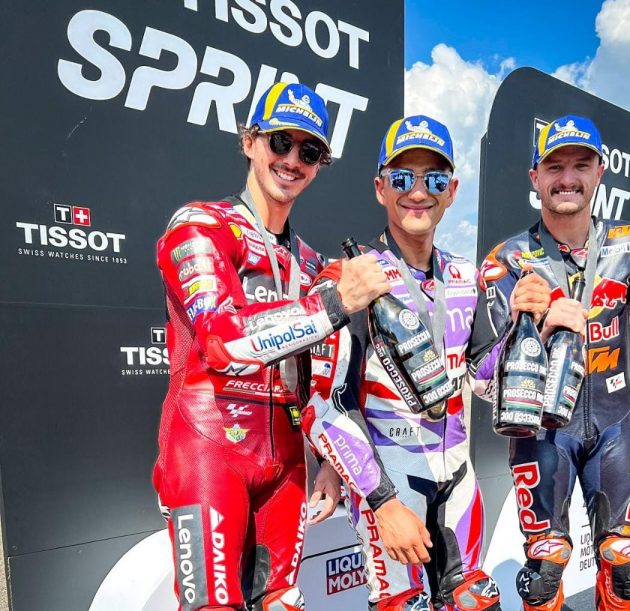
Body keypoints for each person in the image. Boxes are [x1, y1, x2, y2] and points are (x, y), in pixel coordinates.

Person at [152, 82, 390, 611]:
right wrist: (333, 304)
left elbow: (325, 381)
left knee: (284, 601)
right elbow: (221, 341)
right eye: (281, 141)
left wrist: (329, 462)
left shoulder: (312, 262)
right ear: (249, 141)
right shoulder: (200, 225)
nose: (292, 160)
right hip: (208, 449)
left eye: (310, 151)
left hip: (286, 462)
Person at [469, 115, 630, 611]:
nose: (567, 178)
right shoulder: (506, 260)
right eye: (555, 167)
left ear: (600, 172)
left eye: (580, 165)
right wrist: (536, 327)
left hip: (616, 427)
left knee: (624, 568)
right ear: (535, 177)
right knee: (543, 572)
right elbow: (483, 373)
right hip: (541, 434)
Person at [302, 115, 502, 610]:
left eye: (434, 179)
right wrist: (383, 503)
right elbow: (327, 406)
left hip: (459, 476)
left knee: (475, 601)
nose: (417, 192)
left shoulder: (465, 274)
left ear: (452, 190)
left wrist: (530, 331)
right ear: (380, 188)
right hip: (391, 479)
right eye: (401, 177)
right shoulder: (351, 276)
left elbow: (485, 380)